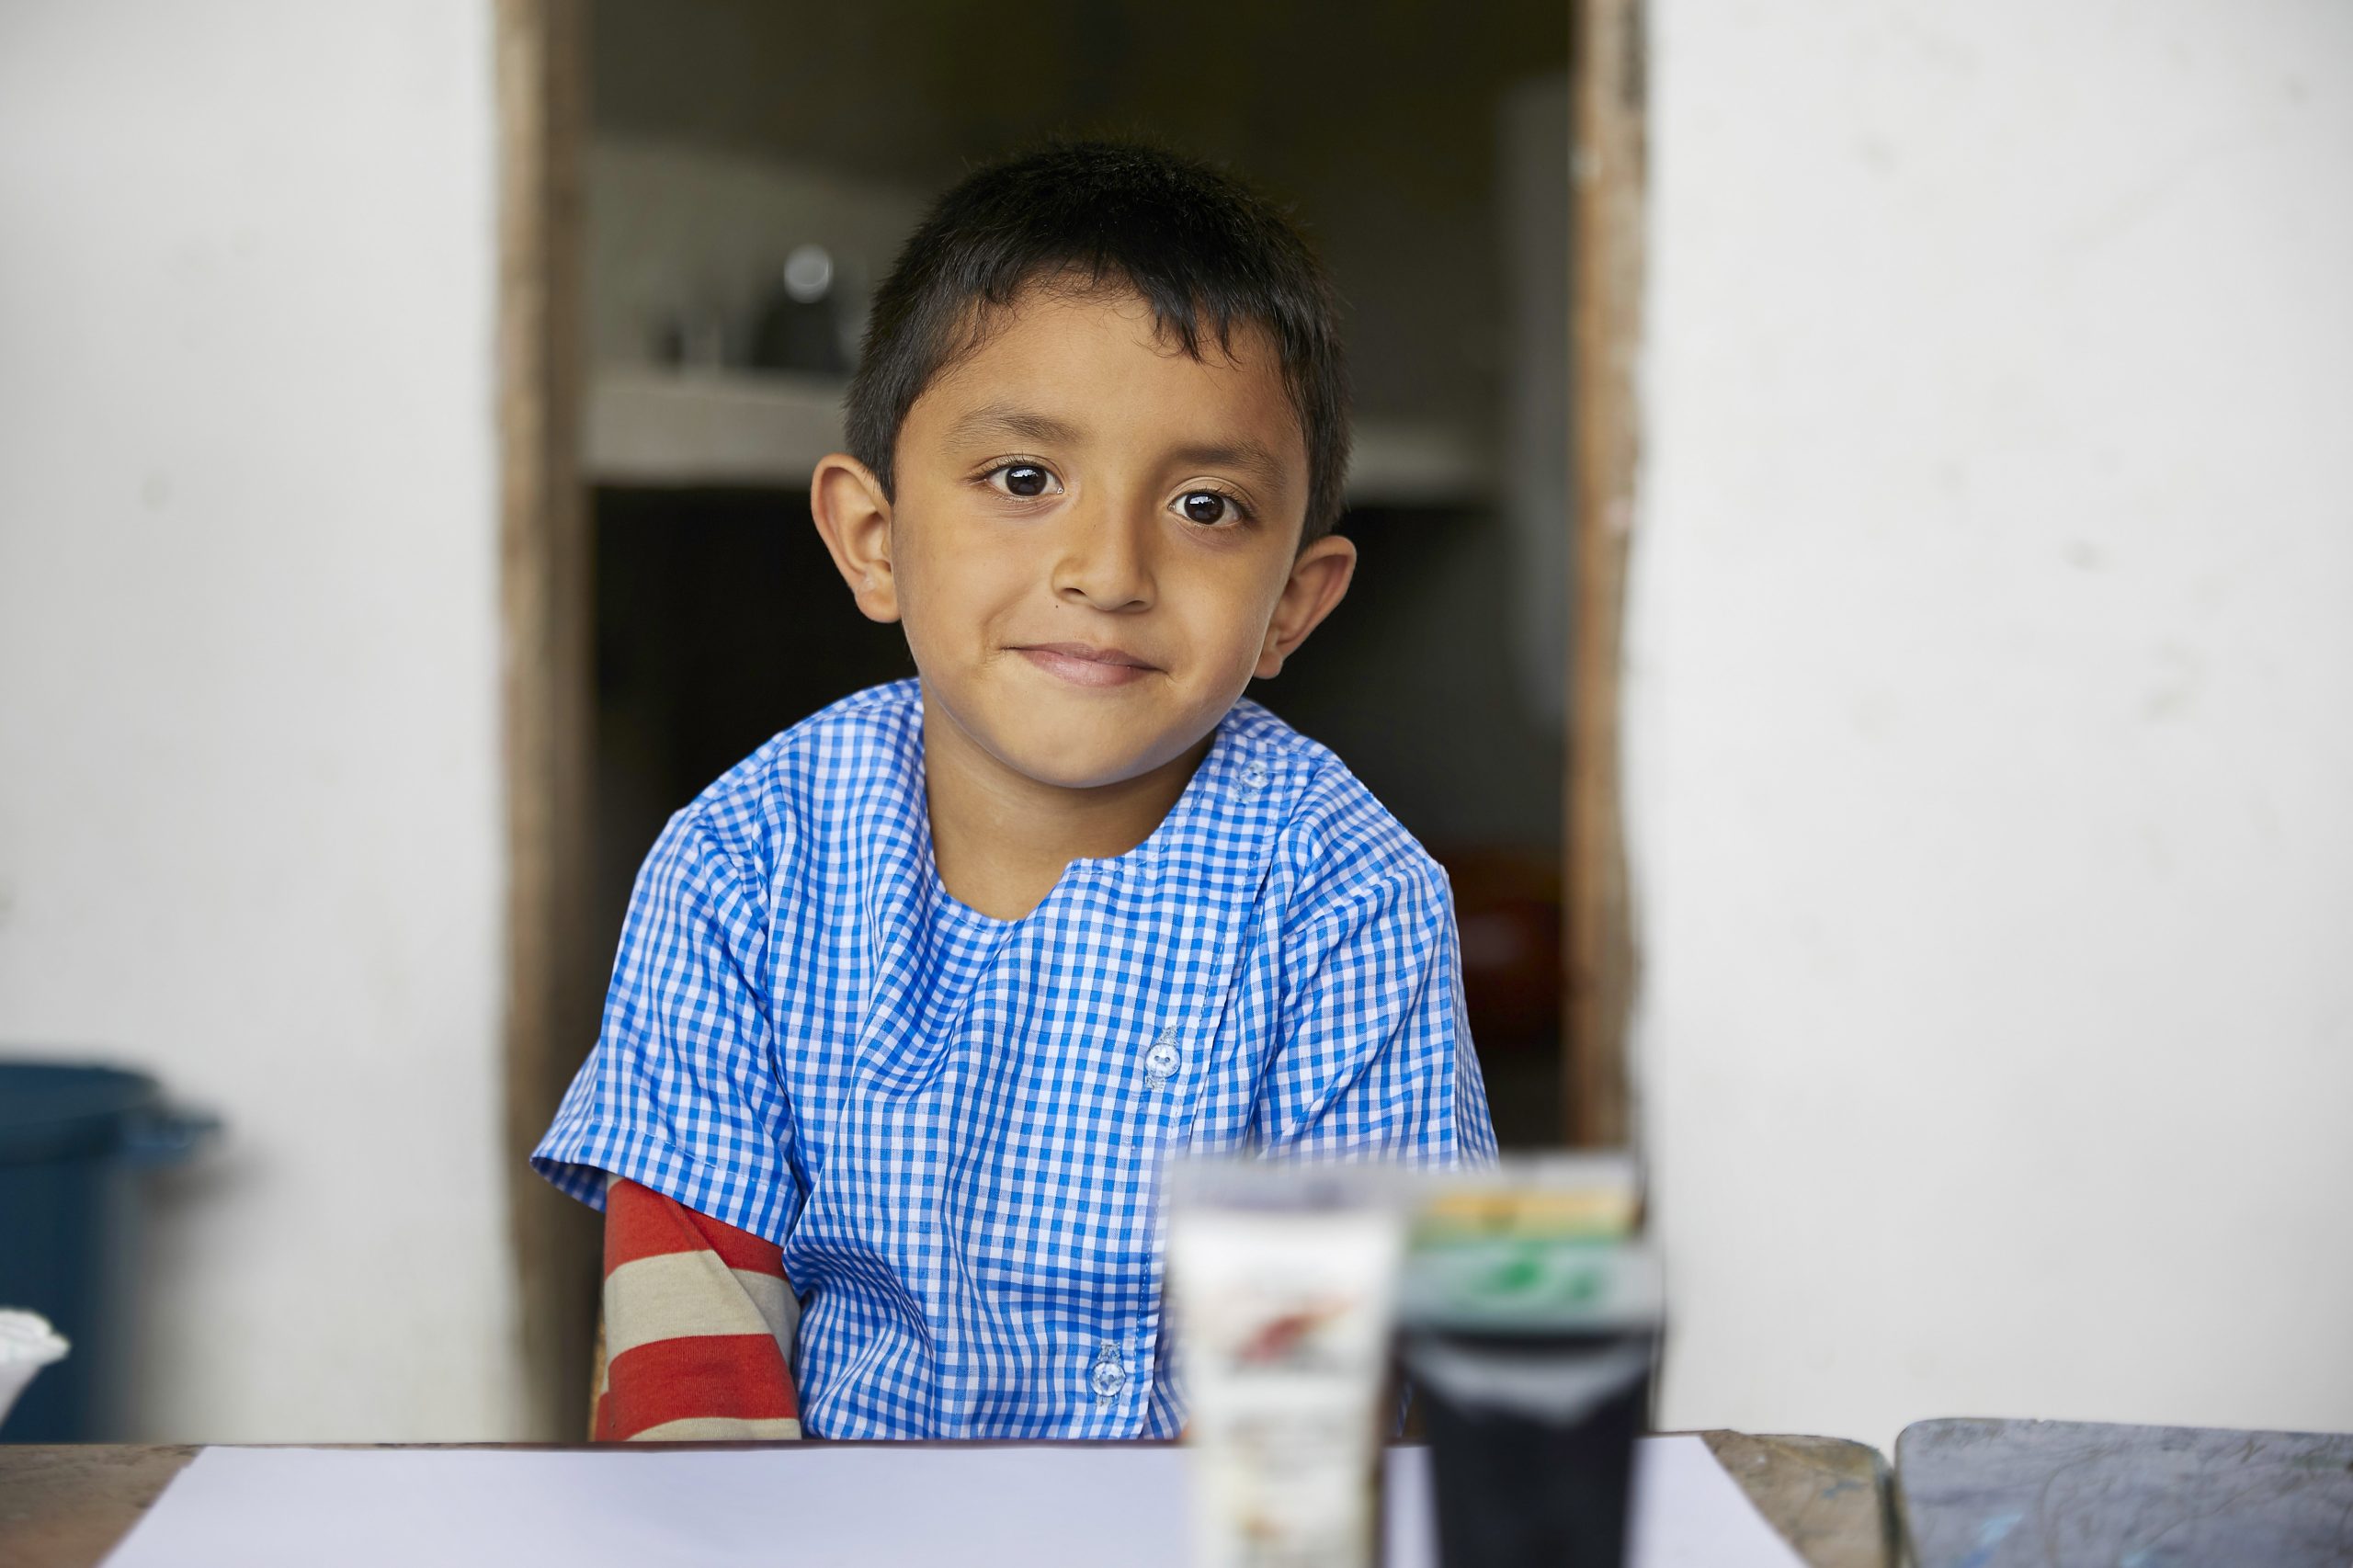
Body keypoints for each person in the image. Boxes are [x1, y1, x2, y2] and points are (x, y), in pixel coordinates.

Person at [533, 140, 1497, 1442]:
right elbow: (688, 1323)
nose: (1107, 568)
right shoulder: (742, 865)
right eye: (1026, 480)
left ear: (1296, 602)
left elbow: (1355, 1379)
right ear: (873, 540)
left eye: (1206, 505)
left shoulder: (1348, 895)